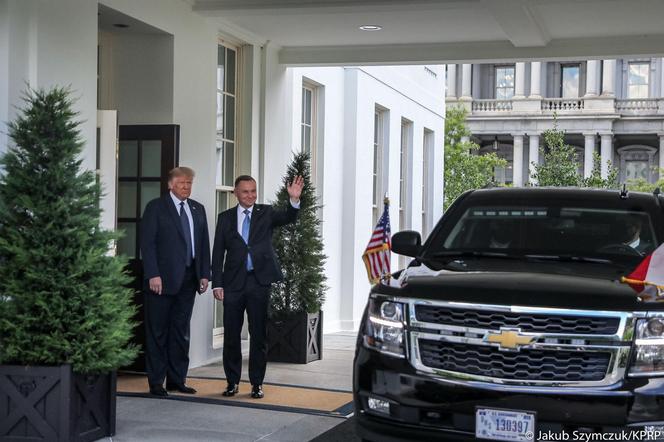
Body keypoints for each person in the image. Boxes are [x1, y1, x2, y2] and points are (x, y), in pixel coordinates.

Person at [212, 174, 303, 399]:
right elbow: (217, 253)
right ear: (235, 193)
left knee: (258, 335)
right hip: (232, 283)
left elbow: (289, 218)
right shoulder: (224, 218)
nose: (251, 195)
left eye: (253, 191)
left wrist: (293, 200)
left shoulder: (266, 213)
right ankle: (232, 382)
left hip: (258, 282)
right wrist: (217, 283)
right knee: (231, 335)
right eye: (246, 191)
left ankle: (256, 384)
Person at [140, 167, 211, 397]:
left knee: (181, 332)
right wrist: (153, 274)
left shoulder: (197, 209)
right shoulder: (156, 207)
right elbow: (147, 244)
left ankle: (177, 380)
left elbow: (202, 245)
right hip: (161, 280)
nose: (186, 187)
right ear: (170, 184)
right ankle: (156, 382)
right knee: (158, 332)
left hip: (189, 281)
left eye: (189, 183)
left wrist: (204, 274)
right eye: (181, 183)